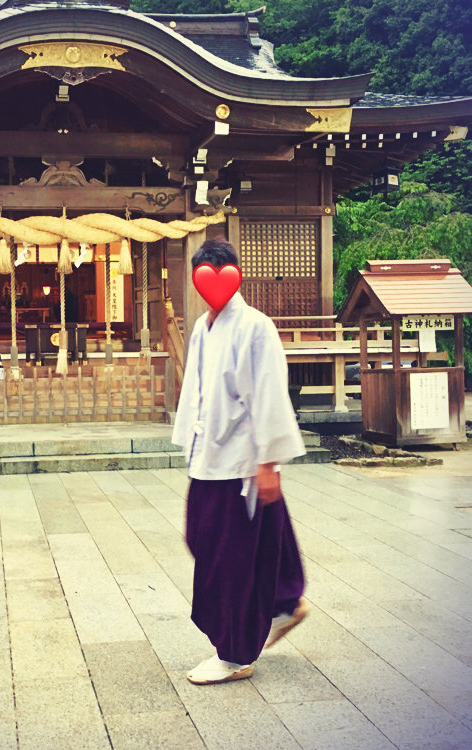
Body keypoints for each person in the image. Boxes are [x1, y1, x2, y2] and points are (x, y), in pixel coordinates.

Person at [171, 238, 309, 685]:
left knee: (226, 557)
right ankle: (285, 600)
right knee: (209, 537)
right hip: (208, 454)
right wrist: (188, 440)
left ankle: (235, 654)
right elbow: (195, 388)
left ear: (235, 275)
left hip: (242, 458)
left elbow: (269, 391)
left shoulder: (256, 326)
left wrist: (268, 461)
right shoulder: (201, 328)